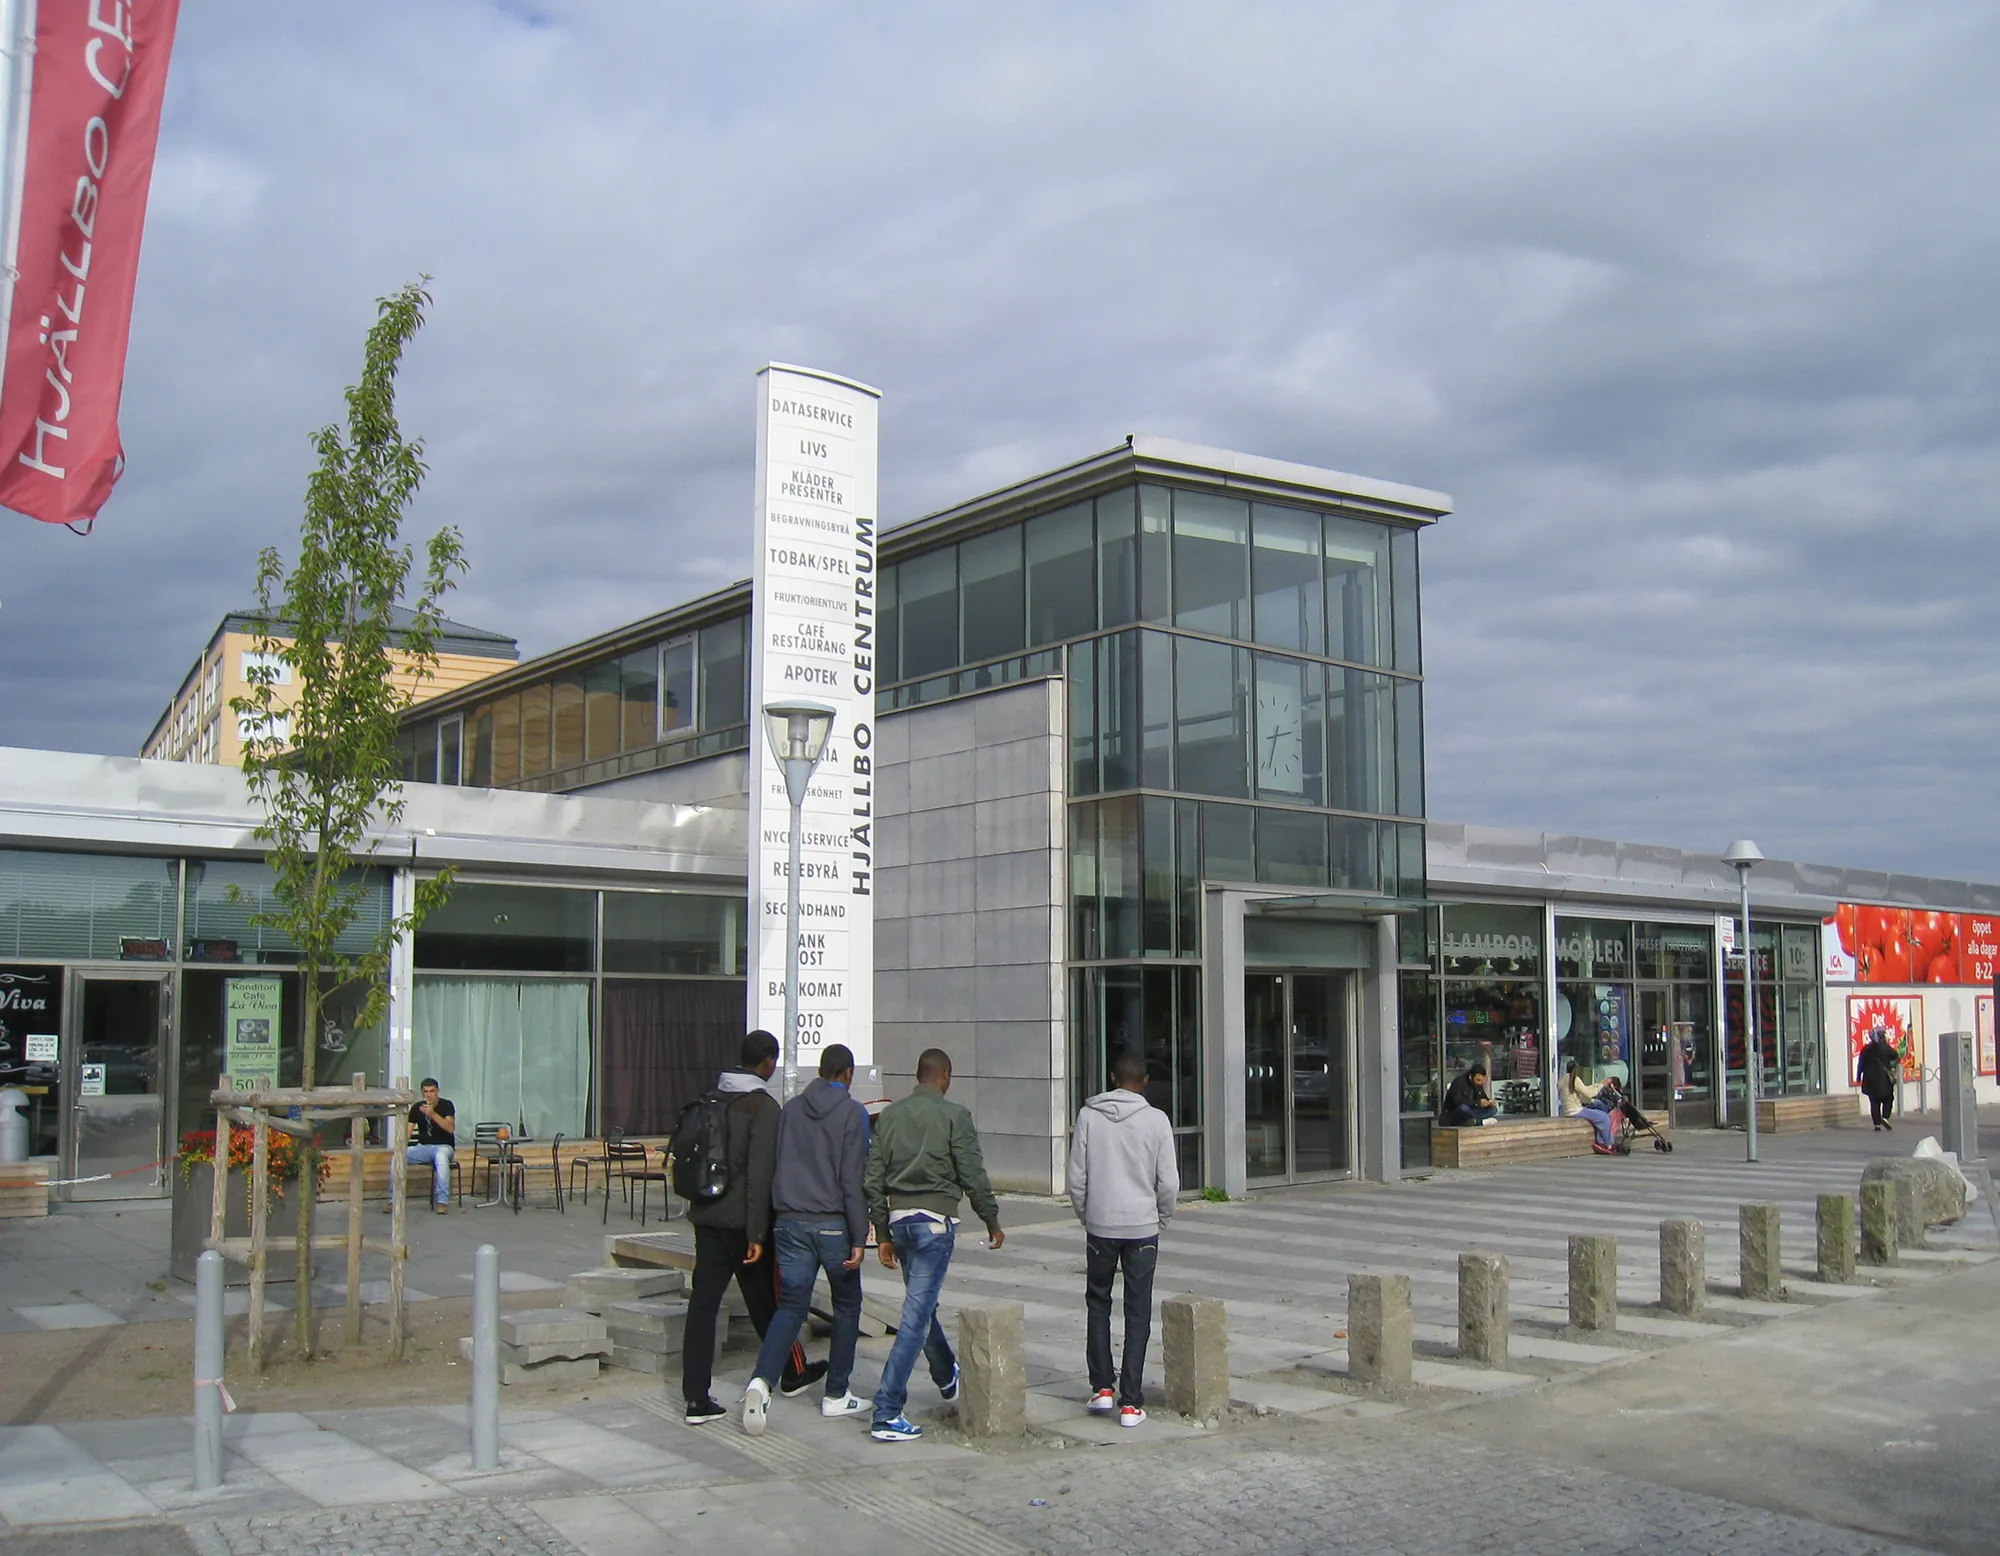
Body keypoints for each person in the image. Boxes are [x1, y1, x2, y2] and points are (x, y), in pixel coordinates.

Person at [681, 1031, 825, 1425]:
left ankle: (695, 1397)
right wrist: (758, 1235)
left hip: (706, 1215)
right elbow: (760, 1176)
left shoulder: (713, 1097)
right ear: (768, 1062)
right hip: (743, 1223)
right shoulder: (763, 1107)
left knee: (703, 1304)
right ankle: (793, 1372)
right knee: (768, 1302)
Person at [863, 1047, 1003, 1443]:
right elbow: (972, 1172)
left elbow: (872, 1178)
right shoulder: (955, 1116)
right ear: (944, 1076)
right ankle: (887, 1410)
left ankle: (946, 1376)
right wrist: (990, 1218)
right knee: (914, 1319)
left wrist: (882, 1232)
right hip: (934, 1225)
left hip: (900, 1223)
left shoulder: (889, 1116)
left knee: (922, 1308)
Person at [741, 1043, 871, 1435]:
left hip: (789, 1222)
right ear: (847, 1074)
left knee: (792, 1306)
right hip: (832, 1221)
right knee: (847, 1304)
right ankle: (836, 1394)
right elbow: (852, 1177)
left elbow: (776, 1163)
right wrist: (859, 1235)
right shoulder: (853, 1113)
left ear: (820, 1070)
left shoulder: (791, 1109)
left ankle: (761, 1382)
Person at [1066, 1050, 1178, 1429]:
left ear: (1113, 1077)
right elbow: (1169, 1182)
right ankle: (1131, 1403)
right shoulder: (1157, 1121)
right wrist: (1161, 1217)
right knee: (1138, 1310)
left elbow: (1076, 1178)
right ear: (1144, 1081)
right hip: (1142, 1226)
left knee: (1097, 1304)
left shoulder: (1088, 1116)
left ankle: (1101, 1388)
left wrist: (1088, 1214)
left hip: (1101, 1224)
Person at [407, 1078, 455, 1213]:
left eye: (432, 1091)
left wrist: (432, 1114)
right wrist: (400, 1148)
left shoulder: (446, 1105)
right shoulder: (417, 1107)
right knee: (398, 1157)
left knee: (441, 1157)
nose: (429, 1095)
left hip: (444, 1146)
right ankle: (392, 1200)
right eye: (426, 1092)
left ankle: (442, 1201)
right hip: (423, 1147)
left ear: (437, 1092)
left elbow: (450, 1128)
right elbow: (408, 1132)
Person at [1857, 1026, 1900, 1131]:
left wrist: (1858, 1076)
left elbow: (1861, 1064)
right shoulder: (1885, 1047)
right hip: (1883, 1079)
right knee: (1888, 1098)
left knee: (1874, 1101)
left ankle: (1876, 1124)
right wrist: (1892, 1066)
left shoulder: (1866, 1049)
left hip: (1869, 1079)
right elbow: (1895, 1056)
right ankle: (1885, 1117)